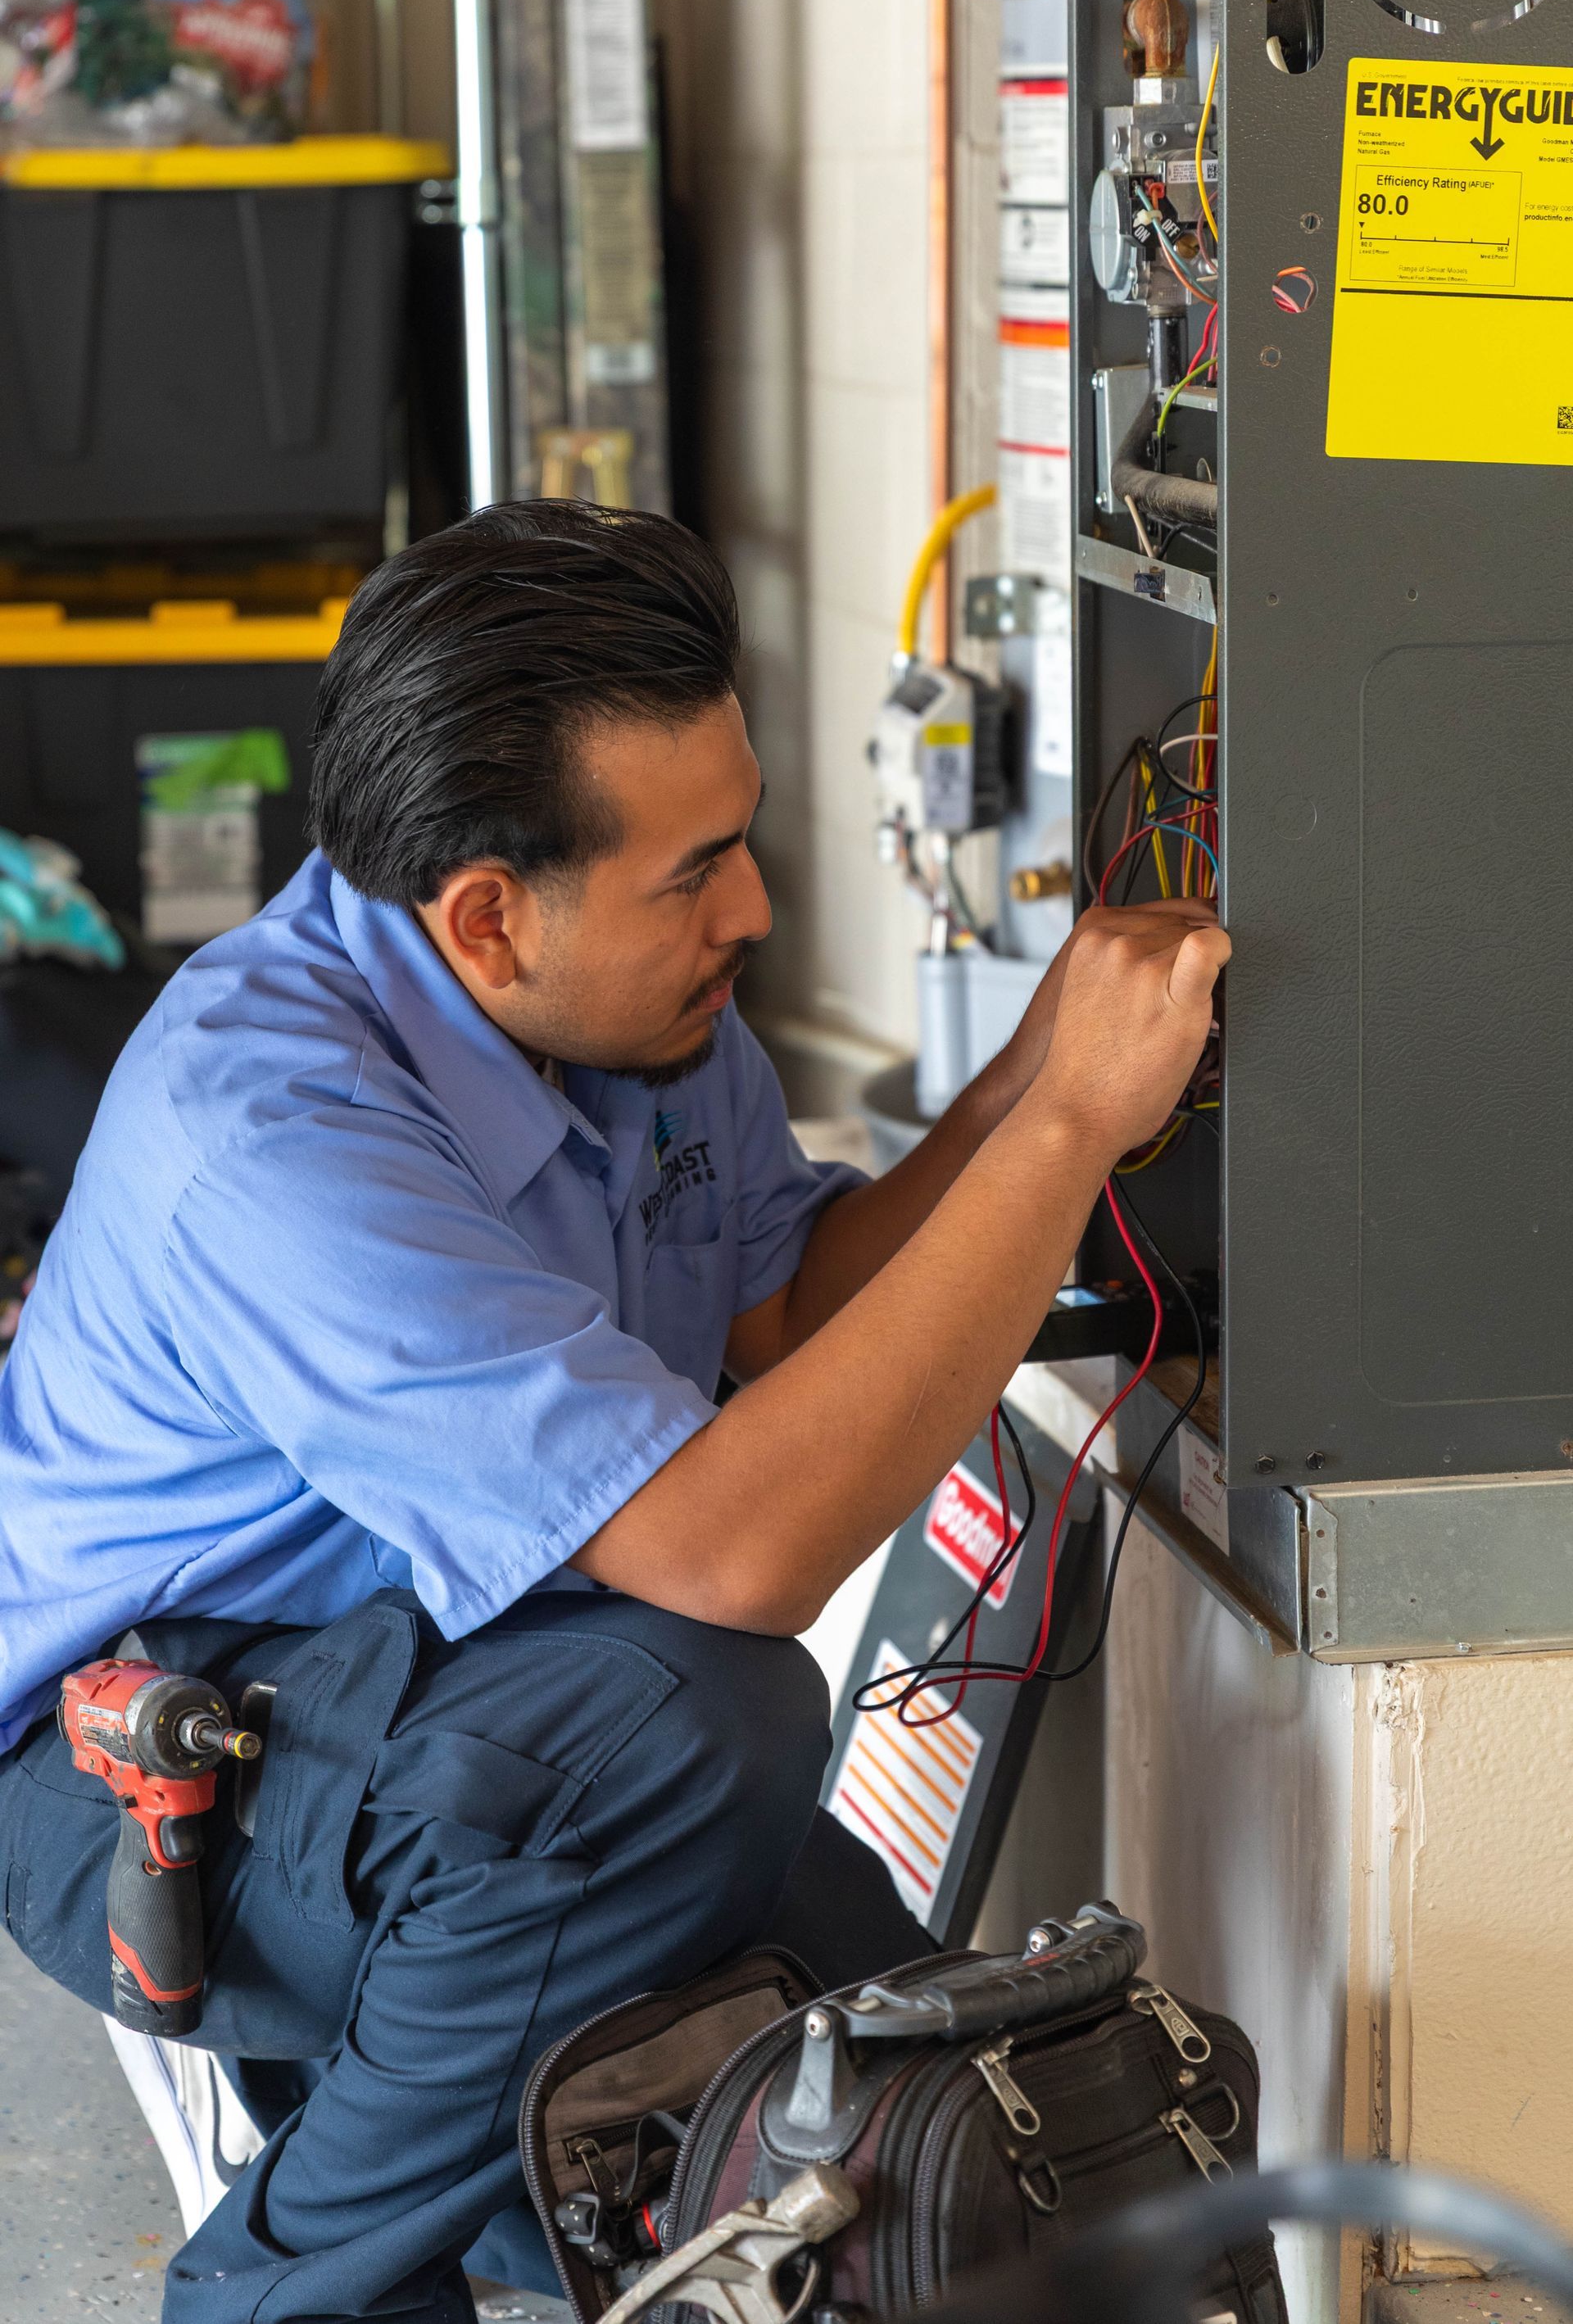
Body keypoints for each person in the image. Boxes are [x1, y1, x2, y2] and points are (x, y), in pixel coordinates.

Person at [0, 501, 1227, 2324]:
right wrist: (1060, 1139)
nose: (750, 909)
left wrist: (1042, 1062)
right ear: (489, 914)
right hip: (142, 1765)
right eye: (696, 872)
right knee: (694, 1715)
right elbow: (739, 1552)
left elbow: (791, 1311)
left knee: (933, 2126)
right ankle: (274, 2288)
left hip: (455, 1717)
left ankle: (470, 2159)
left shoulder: (628, 1008)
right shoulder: (276, 1131)